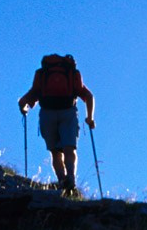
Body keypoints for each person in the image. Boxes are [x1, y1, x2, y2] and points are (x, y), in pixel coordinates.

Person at [18, 54, 95, 195]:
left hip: (47, 114)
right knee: (69, 148)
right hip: (68, 112)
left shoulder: (42, 74)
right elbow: (89, 96)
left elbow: (24, 100)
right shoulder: (71, 74)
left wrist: (24, 109)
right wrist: (89, 119)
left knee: (55, 152)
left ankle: (61, 181)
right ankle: (70, 179)